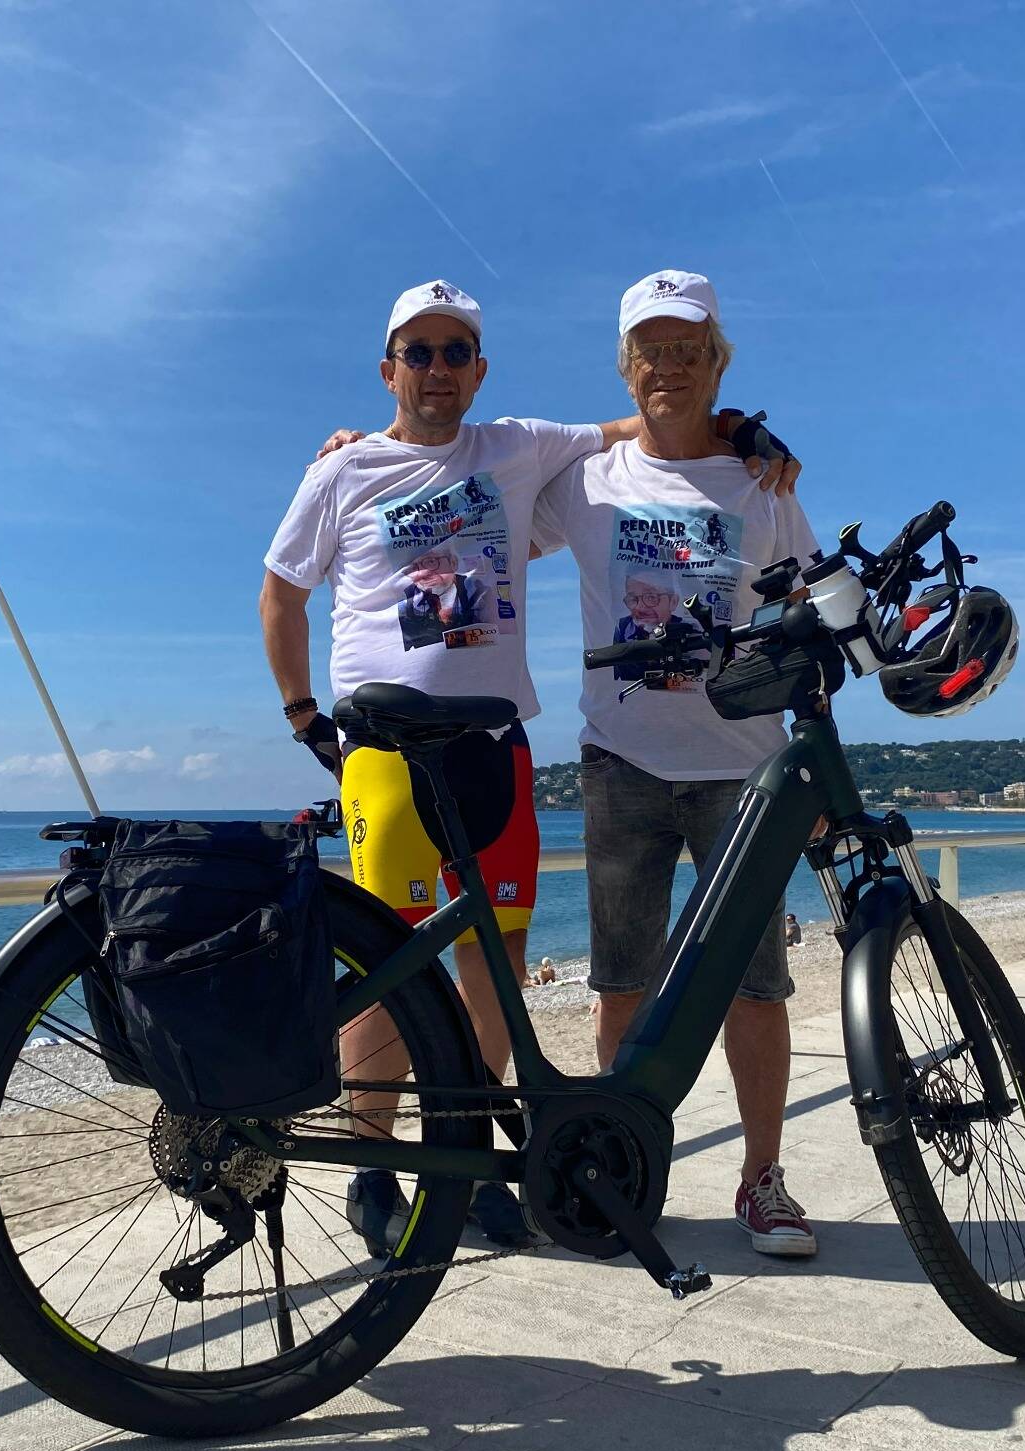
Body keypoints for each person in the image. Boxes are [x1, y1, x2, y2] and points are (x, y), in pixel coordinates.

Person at [265, 278, 797, 1257]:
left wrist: (732, 428)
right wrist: (304, 715)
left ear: (477, 368)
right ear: (388, 368)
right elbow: (280, 593)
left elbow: (628, 424)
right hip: (388, 752)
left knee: (498, 961)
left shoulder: (516, 449)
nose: (434, 368)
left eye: (452, 351)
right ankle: (374, 1163)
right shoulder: (345, 472)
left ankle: (461, 1160)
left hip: (498, 744)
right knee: (390, 960)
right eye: (415, 352)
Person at [534, 270, 821, 1257]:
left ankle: (762, 1179)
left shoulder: (764, 483)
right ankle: (623, 1168)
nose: (667, 364)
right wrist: (370, 456)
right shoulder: (583, 482)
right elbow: (474, 502)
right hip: (620, 766)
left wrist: (812, 769)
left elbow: (801, 620)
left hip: (743, 770)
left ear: (715, 360)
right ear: (625, 368)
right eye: (648, 349)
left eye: (686, 347)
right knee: (619, 985)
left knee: (754, 985)